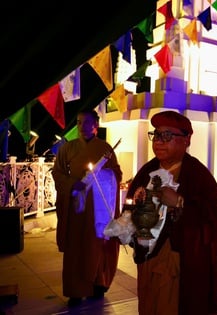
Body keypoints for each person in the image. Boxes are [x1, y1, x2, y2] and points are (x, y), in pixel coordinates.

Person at [126, 110, 217, 315]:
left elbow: (214, 216)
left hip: (181, 265)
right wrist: (127, 224)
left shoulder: (197, 175)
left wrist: (180, 202)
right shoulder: (146, 171)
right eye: (156, 135)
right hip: (148, 261)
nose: (159, 142)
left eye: (167, 136)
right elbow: (130, 205)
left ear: (186, 140)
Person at [52, 109, 123, 307]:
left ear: (96, 125)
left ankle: (98, 284)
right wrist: (72, 184)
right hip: (77, 206)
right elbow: (57, 173)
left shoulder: (105, 148)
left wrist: (98, 177)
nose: (82, 127)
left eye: (87, 122)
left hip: (98, 206)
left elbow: (117, 174)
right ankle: (76, 290)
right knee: (76, 247)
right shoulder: (68, 148)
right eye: (79, 122)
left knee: (97, 245)